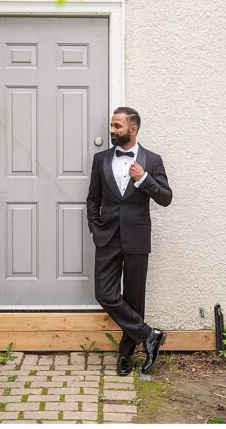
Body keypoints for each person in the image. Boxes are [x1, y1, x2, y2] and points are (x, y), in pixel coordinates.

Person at [86, 107, 173, 376]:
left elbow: (166, 197)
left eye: (117, 127)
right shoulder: (100, 159)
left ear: (132, 129)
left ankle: (125, 355)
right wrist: (95, 227)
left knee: (135, 300)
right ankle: (150, 335)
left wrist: (144, 179)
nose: (112, 131)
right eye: (112, 126)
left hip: (136, 238)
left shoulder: (152, 160)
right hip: (107, 237)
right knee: (105, 293)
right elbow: (93, 199)